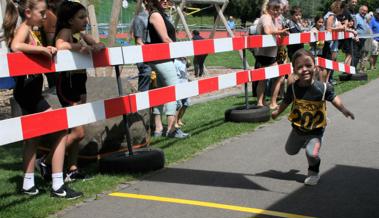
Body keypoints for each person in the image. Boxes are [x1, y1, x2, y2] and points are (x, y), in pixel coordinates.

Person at [2, 0, 82, 199]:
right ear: (28, 13)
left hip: (30, 93)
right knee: (61, 129)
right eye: (42, 13)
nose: (45, 16)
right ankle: (57, 185)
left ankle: (28, 184)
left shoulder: (30, 29)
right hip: (28, 93)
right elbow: (15, 46)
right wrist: (43, 49)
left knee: (33, 138)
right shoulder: (25, 28)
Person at [272, 49, 355, 186]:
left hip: (316, 130)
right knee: (290, 151)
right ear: (294, 69)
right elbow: (286, 102)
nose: (304, 69)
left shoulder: (322, 88)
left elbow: (334, 98)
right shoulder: (293, 88)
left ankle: (313, 171)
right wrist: (277, 113)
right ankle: (306, 142)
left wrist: (344, 110)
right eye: (300, 67)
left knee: (312, 154)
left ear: (314, 66)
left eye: (308, 66)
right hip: (298, 129)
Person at [145, 0, 188, 138]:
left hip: (161, 58)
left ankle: (158, 129)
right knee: (173, 91)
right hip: (161, 59)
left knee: (161, 92)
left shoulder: (160, 14)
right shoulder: (156, 15)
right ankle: (172, 129)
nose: (165, 0)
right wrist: (181, 52)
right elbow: (165, 38)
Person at [254, 0, 288, 109]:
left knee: (264, 78)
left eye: (279, 10)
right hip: (265, 53)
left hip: (268, 53)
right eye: (275, 9)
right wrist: (280, 32)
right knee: (279, 76)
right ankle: (272, 103)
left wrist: (281, 33)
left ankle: (261, 102)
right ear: (268, 8)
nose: (277, 12)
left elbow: (275, 32)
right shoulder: (267, 17)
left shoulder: (272, 18)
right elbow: (268, 31)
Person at [323, 1, 346, 85]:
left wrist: (340, 27)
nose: (343, 11)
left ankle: (328, 80)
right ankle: (327, 81)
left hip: (333, 42)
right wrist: (340, 28)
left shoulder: (334, 16)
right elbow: (328, 29)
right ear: (338, 8)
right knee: (330, 62)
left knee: (331, 62)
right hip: (330, 43)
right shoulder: (331, 16)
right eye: (342, 9)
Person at [132, 3, 152, 91]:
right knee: (147, 73)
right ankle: (142, 102)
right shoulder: (139, 18)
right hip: (145, 56)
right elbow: (139, 41)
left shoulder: (160, 17)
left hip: (157, 55)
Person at [174, 57, 190, 129]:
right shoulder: (174, 61)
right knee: (179, 105)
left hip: (185, 83)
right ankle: (175, 122)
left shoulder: (183, 60)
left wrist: (187, 59)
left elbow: (188, 65)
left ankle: (179, 119)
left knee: (186, 103)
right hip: (178, 84)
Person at [353, 5, 370, 73]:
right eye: (363, 10)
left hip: (363, 40)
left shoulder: (364, 18)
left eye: (366, 11)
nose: (364, 12)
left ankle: (356, 69)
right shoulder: (356, 17)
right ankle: (352, 69)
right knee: (355, 55)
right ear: (360, 10)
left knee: (360, 55)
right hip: (357, 40)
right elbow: (354, 28)